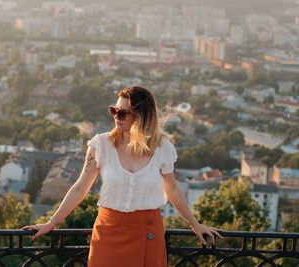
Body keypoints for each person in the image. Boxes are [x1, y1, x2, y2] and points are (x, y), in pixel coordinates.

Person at [22, 86, 223, 266]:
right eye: (114, 111)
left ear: (141, 116)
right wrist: (52, 222)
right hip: (108, 232)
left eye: (123, 113)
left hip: (148, 232)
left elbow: (172, 189)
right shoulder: (100, 145)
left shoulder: (163, 149)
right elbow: (80, 187)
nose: (116, 116)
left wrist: (194, 223)